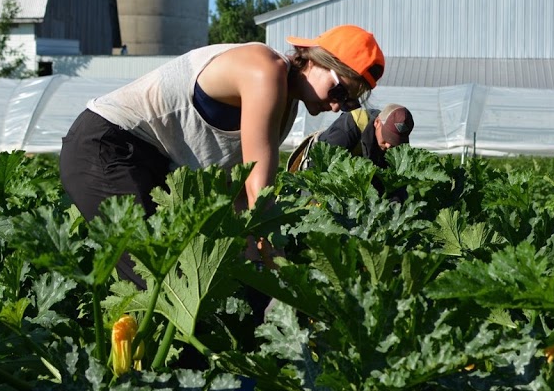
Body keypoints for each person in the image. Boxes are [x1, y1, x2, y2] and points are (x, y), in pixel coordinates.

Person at [59, 24, 385, 274]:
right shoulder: (266, 70)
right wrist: (281, 271)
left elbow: (239, 192)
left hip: (153, 165)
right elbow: (260, 189)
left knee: (203, 280)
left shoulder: (287, 109)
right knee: (163, 278)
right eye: (339, 90)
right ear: (314, 60)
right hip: (107, 146)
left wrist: (252, 258)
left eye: (348, 102)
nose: (336, 105)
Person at [289, 103, 414, 172]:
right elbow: (320, 168)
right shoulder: (348, 128)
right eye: (387, 138)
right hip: (317, 169)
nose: (389, 145)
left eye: (395, 142)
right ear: (377, 123)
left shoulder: (395, 147)